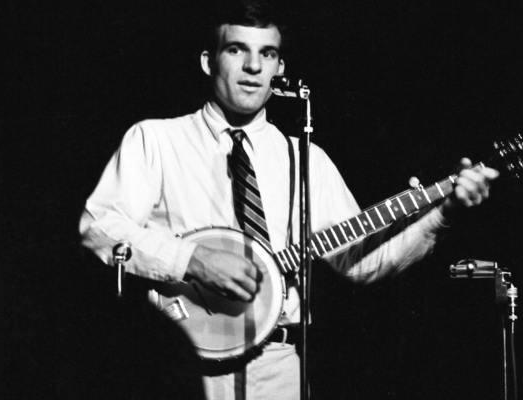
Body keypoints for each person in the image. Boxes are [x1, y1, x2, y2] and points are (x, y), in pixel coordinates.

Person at [78, 1, 499, 399]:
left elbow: (363, 263)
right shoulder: (155, 140)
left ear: (280, 67)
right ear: (209, 61)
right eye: (237, 49)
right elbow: (100, 228)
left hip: (279, 365)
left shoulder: (305, 158)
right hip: (184, 361)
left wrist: (441, 214)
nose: (253, 67)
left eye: (268, 54)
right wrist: (192, 260)